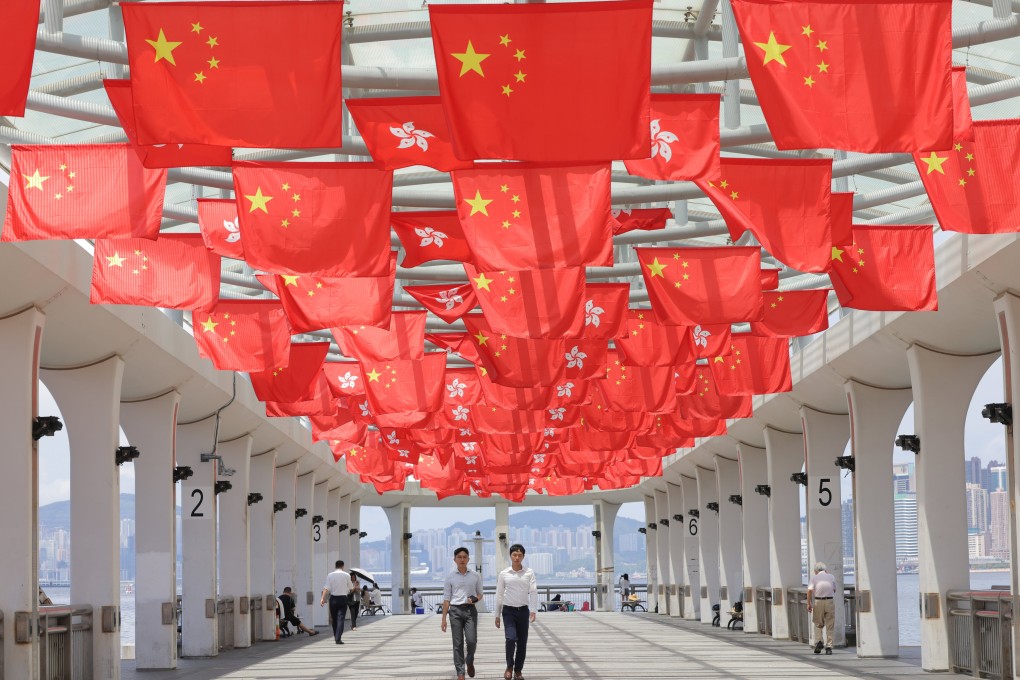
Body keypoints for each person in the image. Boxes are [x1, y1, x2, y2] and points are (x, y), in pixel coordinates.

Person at [495, 543, 538, 680]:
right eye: (514, 555)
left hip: (523, 611)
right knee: (510, 638)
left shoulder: (529, 573)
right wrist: (497, 615)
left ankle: (518, 671)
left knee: (522, 642)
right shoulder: (504, 574)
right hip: (508, 611)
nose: (517, 557)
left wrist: (533, 610)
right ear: (510, 556)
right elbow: (499, 594)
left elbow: (533, 591)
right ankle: (509, 666)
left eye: (520, 555)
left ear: (523, 556)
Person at [441, 546, 483, 680]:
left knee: (472, 641)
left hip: (470, 610)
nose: (462, 559)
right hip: (455, 611)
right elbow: (446, 599)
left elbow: (480, 594)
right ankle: (460, 672)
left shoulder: (476, 575)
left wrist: (475, 599)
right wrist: (443, 619)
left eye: (465, 557)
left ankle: (469, 660)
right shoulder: (450, 577)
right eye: (459, 557)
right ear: (454, 560)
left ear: (468, 559)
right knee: (457, 643)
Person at [320, 559, 353, 644]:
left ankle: (336, 636)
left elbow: (326, 588)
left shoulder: (330, 575)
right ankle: (338, 638)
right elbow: (351, 587)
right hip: (343, 599)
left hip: (333, 599)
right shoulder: (346, 575)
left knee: (334, 619)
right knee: (341, 618)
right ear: (343, 566)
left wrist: (322, 598)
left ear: (335, 566)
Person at [807, 561, 837, 655]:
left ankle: (819, 642)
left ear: (816, 571)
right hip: (829, 601)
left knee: (818, 624)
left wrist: (809, 603)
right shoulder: (831, 576)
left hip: (818, 601)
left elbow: (809, 591)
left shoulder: (814, 578)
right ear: (825, 570)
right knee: (830, 625)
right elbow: (834, 589)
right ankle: (829, 647)